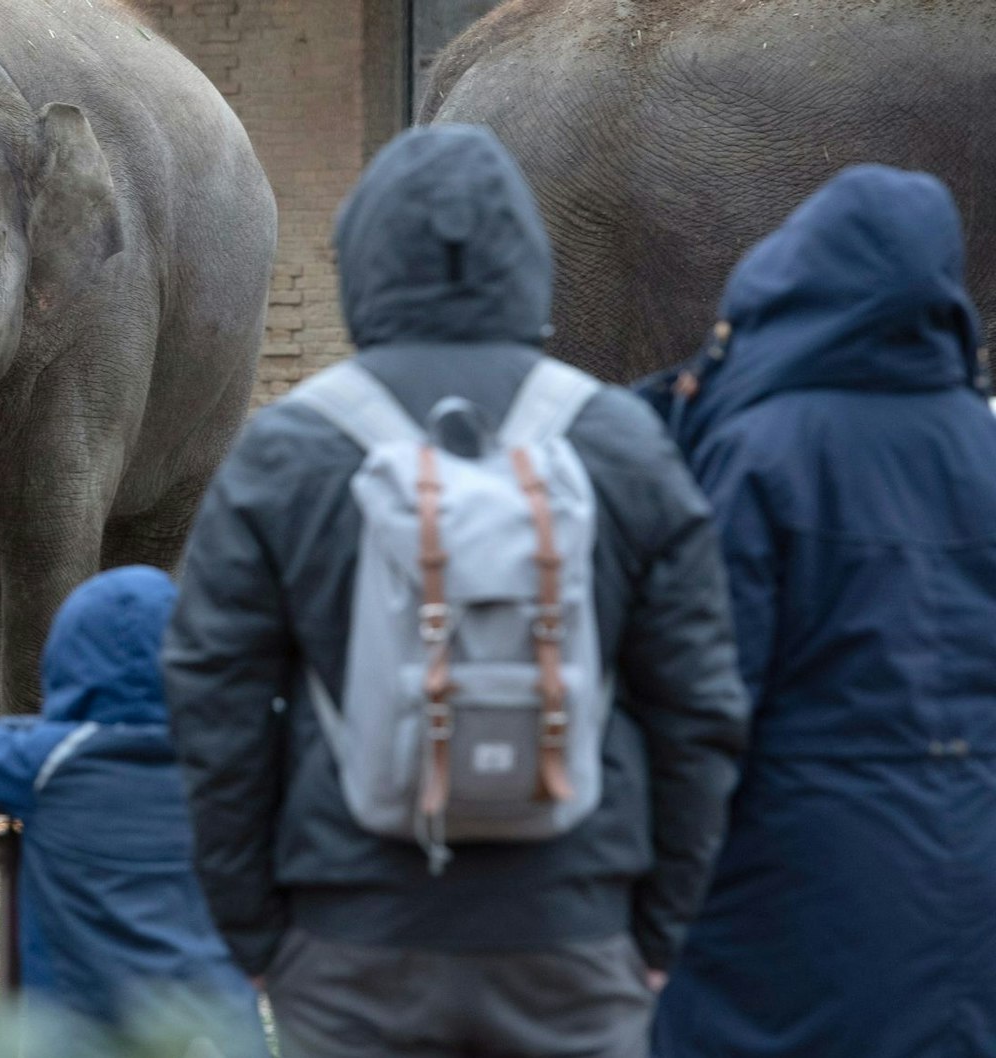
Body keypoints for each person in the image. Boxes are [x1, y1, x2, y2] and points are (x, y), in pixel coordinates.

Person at [162, 123, 751, 1058]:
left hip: (350, 936)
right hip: (575, 933)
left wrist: (258, 931)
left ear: (359, 262)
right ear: (528, 258)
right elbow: (701, 709)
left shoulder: (287, 450)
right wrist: (656, 927)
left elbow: (212, 707)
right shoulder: (619, 442)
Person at [646, 166, 996, 1057]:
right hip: (970, 873)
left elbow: (706, 697)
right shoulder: (983, 447)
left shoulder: (763, 451)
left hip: (790, 884)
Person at [0, 566, 267, 1058]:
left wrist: (52, 727)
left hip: (87, 1028)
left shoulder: (50, 762)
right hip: (218, 1024)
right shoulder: (224, 761)